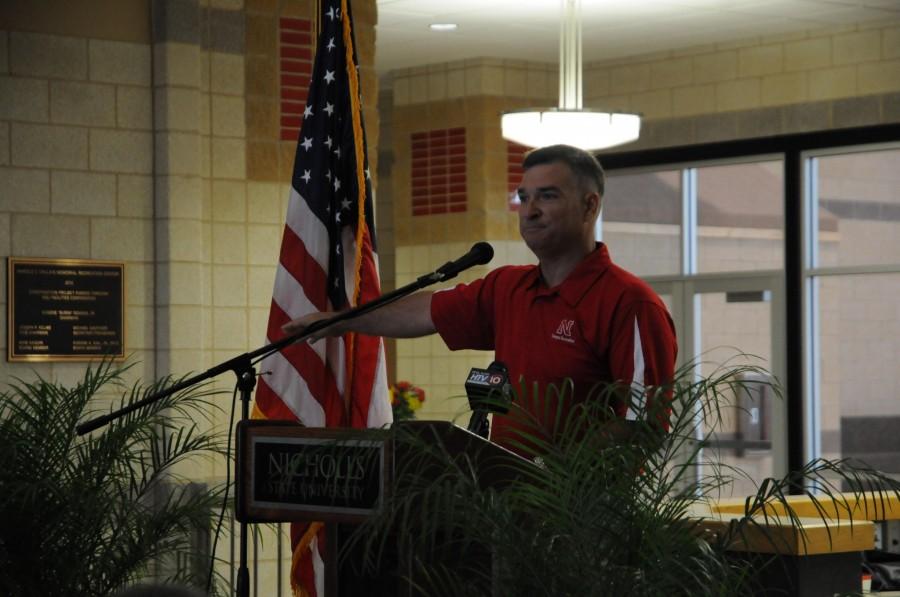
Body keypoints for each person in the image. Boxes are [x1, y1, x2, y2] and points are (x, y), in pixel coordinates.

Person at [284, 144, 677, 455]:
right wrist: (342, 321)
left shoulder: (630, 303)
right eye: (524, 198)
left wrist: (551, 476)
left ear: (590, 205)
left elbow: (640, 425)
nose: (531, 211)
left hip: (579, 523)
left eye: (548, 196)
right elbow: (427, 311)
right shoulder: (507, 287)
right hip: (507, 513)